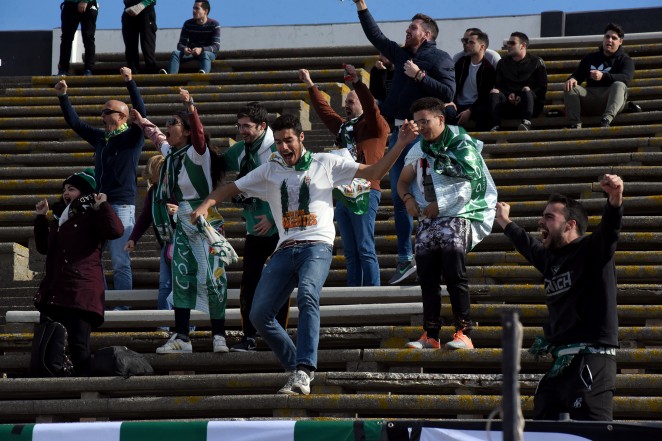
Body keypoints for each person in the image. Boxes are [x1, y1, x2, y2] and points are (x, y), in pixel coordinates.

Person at [190, 113, 418, 395]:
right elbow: (229, 188)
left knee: (308, 293)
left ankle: (305, 368)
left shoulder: (327, 162)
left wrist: (400, 143)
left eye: (289, 141)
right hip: (284, 249)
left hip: (317, 246)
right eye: (279, 142)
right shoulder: (269, 170)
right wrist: (205, 205)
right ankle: (296, 367)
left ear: (301, 138)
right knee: (259, 315)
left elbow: (374, 173)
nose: (284, 148)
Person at [494, 174, 623, 421]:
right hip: (561, 362)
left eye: (549, 217)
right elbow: (528, 246)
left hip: (592, 358)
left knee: (591, 432)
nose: (540, 221)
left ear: (570, 225)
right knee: (542, 417)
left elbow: (610, 229)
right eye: (542, 216)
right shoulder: (550, 259)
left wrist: (615, 198)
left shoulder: (592, 249)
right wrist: (505, 221)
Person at [354, 0, 456, 285]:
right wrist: (361, 6)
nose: (406, 31)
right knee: (400, 198)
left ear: (426, 34)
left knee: (421, 195)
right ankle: (404, 258)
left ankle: (429, 254)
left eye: (412, 28)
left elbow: (449, 91)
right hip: (397, 135)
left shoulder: (440, 58)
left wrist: (419, 75)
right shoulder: (399, 55)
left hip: (419, 135)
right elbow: (376, 37)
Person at [131, 89, 230, 354]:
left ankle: (219, 334)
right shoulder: (171, 154)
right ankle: (182, 336)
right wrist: (142, 122)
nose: (167, 128)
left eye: (173, 123)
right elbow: (157, 138)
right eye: (168, 123)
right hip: (182, 222)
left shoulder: (199, 153)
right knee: (181, 278)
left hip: (206, 219)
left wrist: (191, 107)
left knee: (213, 278)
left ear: (185, 130)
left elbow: (198, 135)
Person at [397, 97, 497, 350]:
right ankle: (431, 334)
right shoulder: (419, 148)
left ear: (440, 119)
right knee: (427, 277)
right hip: (429, 219)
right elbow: (402, 180)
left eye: (425, 121)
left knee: (454, 273)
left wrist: (441, 205)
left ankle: (464, 333)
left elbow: (471, 183)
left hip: (458, 215)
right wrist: (408, 198)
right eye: (418, 123)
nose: (422, 127)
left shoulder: (461, 143)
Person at [55, 67, 145, 296]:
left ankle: (124, 308)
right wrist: (63, 96)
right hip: (99, 204)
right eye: (102, 111)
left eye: (107, 111)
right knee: (91, 257)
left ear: (122, 116)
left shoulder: (132, 137)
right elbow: (75, 123)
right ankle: (100, 302)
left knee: (120, 259)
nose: (102, 115)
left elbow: (141, 112)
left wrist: (130, 82)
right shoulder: (101, 138)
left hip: (122, 205)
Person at [299, 64, 389, 286]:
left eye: (351, 101)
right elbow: (326, 112)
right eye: (346, 102)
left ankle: (374, 297)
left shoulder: (376, 126)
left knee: (365, 247)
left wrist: (356, 83)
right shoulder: (344, 128)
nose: (346, 105)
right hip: (343, 190)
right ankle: (354, 295)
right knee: (350, 250)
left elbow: (371, 106)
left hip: (365, 189)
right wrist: (311, 85)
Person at [33, 169, 124, 375]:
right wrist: (41, 218)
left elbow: (116, 231)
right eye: (64, 189)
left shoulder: (93, 214)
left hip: (80, 292)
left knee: (78, 345)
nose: (66, 193)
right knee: (49, 344)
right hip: (55, 291)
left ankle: (82, 390)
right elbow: (43, 248)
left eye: (71, 189)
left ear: (85, 192)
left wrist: (102, 206)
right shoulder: (60, 217)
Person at [222, 102, 290, 352]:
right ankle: (248, 336)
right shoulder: (241, 149)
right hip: (254, 227)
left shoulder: (278, 147)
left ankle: (278, 338)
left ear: (262, 126)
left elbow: (293, 185)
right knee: (249, 282)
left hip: (281, 227)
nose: (242, 131)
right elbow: (215, 163)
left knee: (281, 281)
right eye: (239, 126)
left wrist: (273, 216)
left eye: (247, 126)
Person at [124, 155, 175, 326]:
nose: (150, 180)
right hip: (167, 244)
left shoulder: (176, 189)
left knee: (182, 285)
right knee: (165, 285)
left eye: (152, 176)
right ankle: (164, 324)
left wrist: (179, 211)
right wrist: (133, 238)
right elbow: (146, 216)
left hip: (184, 244)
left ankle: (187, 325)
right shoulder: (153, 192)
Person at [563, 23, 635, 129]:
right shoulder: (590, 58)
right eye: (607, 37)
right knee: (570, 86)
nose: (609, 40)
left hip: (611, 100)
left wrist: (604, 76)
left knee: (619, 85)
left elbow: (626, 78)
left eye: (614, 38)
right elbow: (578, 75)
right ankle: (575, 124)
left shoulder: (625, 60)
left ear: (620, 42)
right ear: (603, 38)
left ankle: (606, 120)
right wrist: (572, 79)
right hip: (590, 98)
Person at [488, 32, 547, 132]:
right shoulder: (502, 63)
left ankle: (526, 123)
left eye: (512, 43)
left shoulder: (536, 62)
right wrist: (508, 95)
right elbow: (499, 85)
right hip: (508, 104)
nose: (508, 45)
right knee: (494, 92)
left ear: (523, 45)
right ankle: (495, 126)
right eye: (508, 43)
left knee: (526, 90)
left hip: (530, 105)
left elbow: (542, 88)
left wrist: (525, 93)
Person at [446, 30, 496, 131]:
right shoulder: (461, 63)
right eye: (467, 42)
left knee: (484, 112)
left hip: (476, 106)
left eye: (471, 42)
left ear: (482, 47)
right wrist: (450, 101)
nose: (467, 45)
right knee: (445, 111)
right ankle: (451, 144)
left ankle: (481, 144)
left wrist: (470, 110)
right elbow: (452, 84)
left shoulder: (488, 69)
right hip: (458, 105)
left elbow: (484, 96)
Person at [161, 1, 220, 74]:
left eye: (197, 8)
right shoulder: (187, 24)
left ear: (205, 11)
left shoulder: (214, 24)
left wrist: (201, 50)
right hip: (191, 53)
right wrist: (184, 49)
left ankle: (203, 77)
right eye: (193, 8)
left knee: (205, 54)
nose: (194, 11)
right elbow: (180, 44)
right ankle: (170, 77)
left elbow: (216, 46)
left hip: (207, 54)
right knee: (175, 53)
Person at [57, 0, 98, 76]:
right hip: (69, 4)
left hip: (89, 4)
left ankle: (88, 70)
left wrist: (85, 1)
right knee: (66, 38)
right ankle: (63, 69)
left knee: (88, 37)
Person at [122, 0, 158, 74]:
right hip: (129, 8)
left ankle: (152, 76)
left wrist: (143, 4)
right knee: (130, 48)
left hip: (146, 8)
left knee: (147, 46)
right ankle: (132, 77)